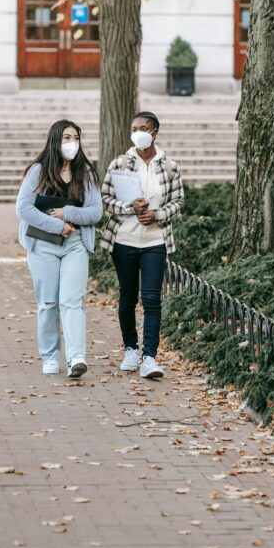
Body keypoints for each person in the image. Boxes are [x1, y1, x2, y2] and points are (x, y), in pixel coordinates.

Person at [100, 111, 184, 380]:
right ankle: (130, 349)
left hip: (155, 241)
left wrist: (156, 215)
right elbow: (106, 199)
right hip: (123, 240)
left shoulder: (169, 166)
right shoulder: (119, 163)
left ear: (154, 132)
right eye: (134, 127)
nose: (138, 132)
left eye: (144, 128)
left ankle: (149, 357)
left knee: (151, 299)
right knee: (127, 297)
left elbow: (178, 201)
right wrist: (129, 207)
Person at [16, 119, 102, 379]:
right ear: (55, 140)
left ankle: (76, 357)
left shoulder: (85, 173)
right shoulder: (38, 171)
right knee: (49, 302)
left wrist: (68, 213)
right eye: (66, 138)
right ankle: (50, 355)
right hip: (43, 245)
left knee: (72, 302)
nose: (71, 143)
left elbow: (96, 212)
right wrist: (57, 225)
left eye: (75, 137)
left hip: (75, 244)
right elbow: (23, 209)